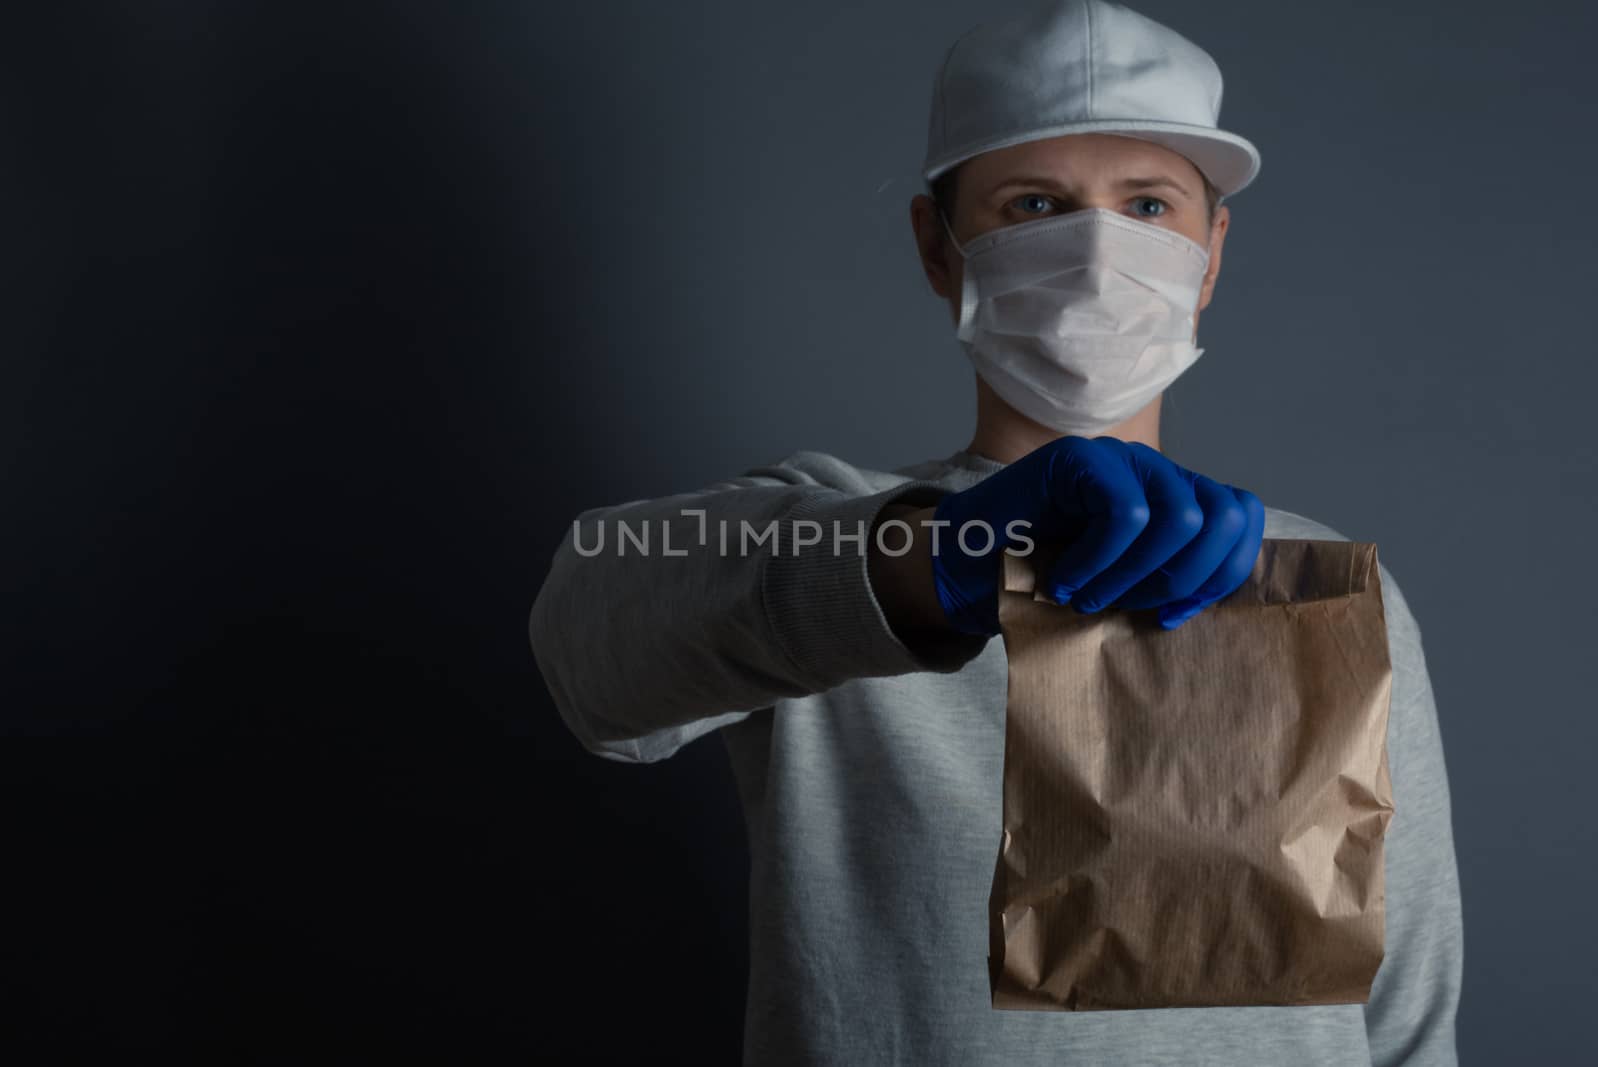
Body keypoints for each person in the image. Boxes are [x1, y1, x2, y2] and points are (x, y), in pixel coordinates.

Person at [529, 1, 1463, 1063]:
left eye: (1148, 204)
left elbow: (1405, 1020)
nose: (1099, 249)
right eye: (1034, 204)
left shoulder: (1329, 592)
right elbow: (588, 628)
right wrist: (935, 559)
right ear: (940, 246)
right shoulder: (830, 537)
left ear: (1210, 253)